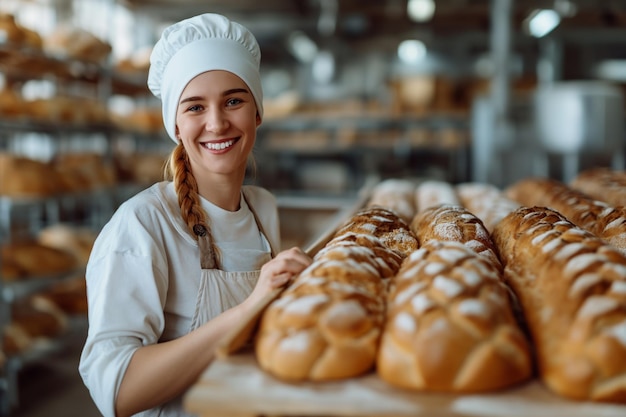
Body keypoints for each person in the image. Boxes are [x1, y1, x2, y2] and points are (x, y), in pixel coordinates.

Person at [79, 13, 312, 417]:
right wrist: (250, 307)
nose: (217, 123)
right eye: (195, 107)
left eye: (234, 101)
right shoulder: (142, 226)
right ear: (175, 123)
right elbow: (117, 392)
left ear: (257, 112)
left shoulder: (263, 207)